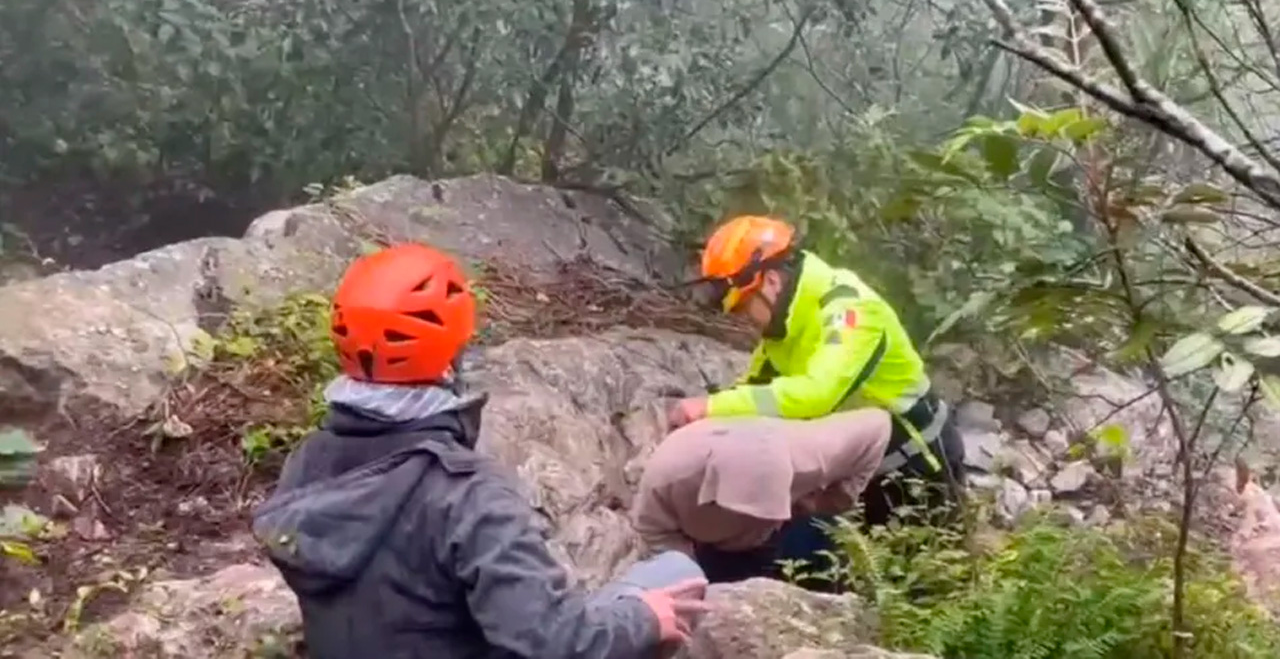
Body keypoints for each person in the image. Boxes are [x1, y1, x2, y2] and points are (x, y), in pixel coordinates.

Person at [251, 242, 710, 659]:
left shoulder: (308, 460)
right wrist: (644, 618)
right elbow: (552, 642)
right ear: (453, 352)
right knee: (673, 572)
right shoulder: (465, 492)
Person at [673, 215, 967, 530]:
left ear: (771, 282)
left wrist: (710, 408)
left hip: (919, 469)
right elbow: (756, 387)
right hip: (859, 473)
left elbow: (818, 393)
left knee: (915, 571)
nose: (742, 319)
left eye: (744, 307)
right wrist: (705, 422)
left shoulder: (850, 309)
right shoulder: (784, 328)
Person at [631, 410, 892, 593]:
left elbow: (879, 425)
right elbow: (655, 537)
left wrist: (835, 500)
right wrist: (689, 579)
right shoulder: (667, 480)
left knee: (816, 534)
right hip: (705, 544)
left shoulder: (815, 452)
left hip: (791, 521)